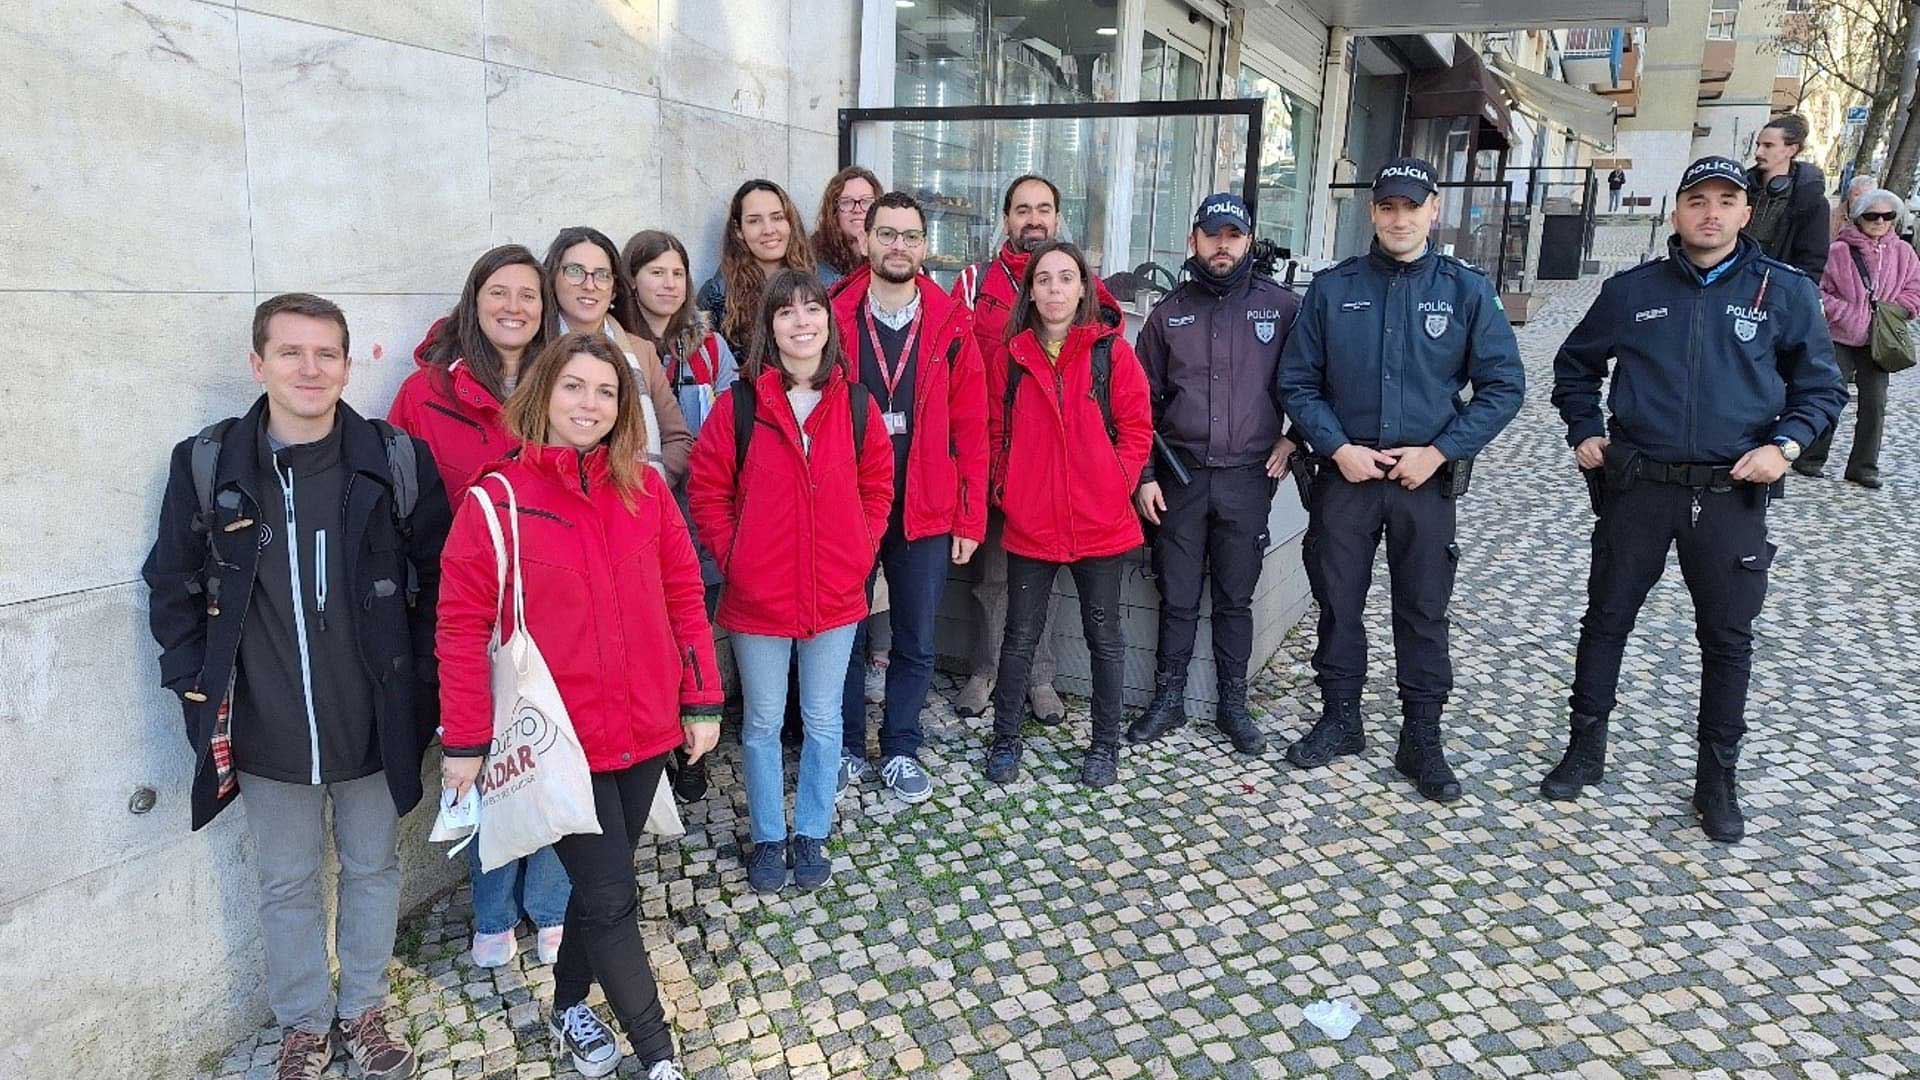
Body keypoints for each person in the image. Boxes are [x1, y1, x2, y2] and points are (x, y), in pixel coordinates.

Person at [142, 293, 452, 1080]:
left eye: (325, 354)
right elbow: (172, 584)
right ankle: (304, 1026)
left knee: (376, 869)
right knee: (285, 884)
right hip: (264, 728)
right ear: (259, 364)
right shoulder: (209, 465)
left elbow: (443, 583)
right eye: (291, 353)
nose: (309, 369)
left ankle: (366, 1013)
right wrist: (190, 684)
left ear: (349, 365)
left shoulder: (393, 461)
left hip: (374, 722)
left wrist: (424, 688)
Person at [437, 332, 722, 1080]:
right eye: (573, 387)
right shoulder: (496, 497)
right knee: (613, 895)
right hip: (561, 740)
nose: (588, 404)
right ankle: (658, 1055)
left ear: (624, 407)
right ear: (543, 394)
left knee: (601, 897)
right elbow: (461, 625)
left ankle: (569, 1007)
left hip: (646, 727)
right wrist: (465, 741)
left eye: (604, 391)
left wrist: (701, 699)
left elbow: (685, 598)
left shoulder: (647, 489)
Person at [1547, 155, 1844, 842]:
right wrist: (1585, 429)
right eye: (1697, 200)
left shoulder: (1784, 291)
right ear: (1676, 211)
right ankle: (1584, 751)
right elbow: (1575, 365)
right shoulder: (1633, 290)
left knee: (1727, 640)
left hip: (1731, 493)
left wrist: (1787, 447)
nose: (1710, 212)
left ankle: (1716, 780)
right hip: (1639, 488)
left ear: (1746, 212)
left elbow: (1822, 389)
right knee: (1606, 620)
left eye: (1725, 200)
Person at [1277, 158, 1525, 803]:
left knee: (1422, 610)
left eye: (1410, 207)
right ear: (1373, 213)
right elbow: (1297, 382)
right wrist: (1335, 447)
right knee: (1337, 602)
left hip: (1424, 482)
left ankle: (1421, 735)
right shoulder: (1333, 289)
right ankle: (1340, 719)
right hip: (1348, 479)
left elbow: (1504, 387)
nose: (1398, 218)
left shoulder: (1467, 291)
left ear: (1433, 210)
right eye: (1387, 207)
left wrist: (1442, 450)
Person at [388, 245, 570, 969]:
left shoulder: (564, 383)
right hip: (466, 608)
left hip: (554, 603)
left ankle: (551, 905)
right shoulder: (424, 393)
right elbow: (398, 507)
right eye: (500, 292)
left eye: (529, 295)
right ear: (475, 299)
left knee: (554, 760)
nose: (515, 307)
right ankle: (492, 913)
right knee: (489, 766)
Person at [688, 269, 893, 893]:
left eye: (813, 310)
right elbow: (708, 488)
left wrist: (858, 550)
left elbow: (878, 486)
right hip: (758, 597)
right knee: (761, 723)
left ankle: (811, 830)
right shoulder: (741, 405)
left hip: (834, 594)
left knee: (825, 718)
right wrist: (737, 555)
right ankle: (769, 837)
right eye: (787, 312)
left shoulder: (856, 404)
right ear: (768, 325)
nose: (801, 322)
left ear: (828, 324)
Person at [826, 192, 989, 804]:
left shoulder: (951, 323)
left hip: (925, 505)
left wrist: (969, 515)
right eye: (887, 234)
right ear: (865, 240)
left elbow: (972, 430)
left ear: (925, 247)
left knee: (916, 636)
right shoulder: (832, 317)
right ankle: (841, 746)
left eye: (911, 236)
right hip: (847, 504)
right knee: (843, 632)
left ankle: (899, 746)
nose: (899, 246)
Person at [1127, 193, 1301, 756]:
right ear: (1193, 241)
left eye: (1233, 235)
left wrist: (1295, 437)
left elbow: (1315, 381)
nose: (1222, 245)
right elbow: (1138, 407)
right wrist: (1146, 475)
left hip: (1249, 478)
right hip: (1180, 478)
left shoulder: (1282, 308)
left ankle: (1232, 704)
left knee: (1234, 598)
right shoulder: (1166, 315)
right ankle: (1168, 699)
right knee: (1175, 596)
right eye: (1212, 234)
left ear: (1248, 241)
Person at [950, 173, 1124, 725]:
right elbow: (952, 360)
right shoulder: (977, 281)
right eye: (1022, 210)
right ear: (1006, 219)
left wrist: (1115, 475)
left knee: (1038, 586)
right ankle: (985, 670)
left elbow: (1112, 356)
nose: (1033, 220)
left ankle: (1040, 679)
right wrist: (990, 471)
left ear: (1057, 217)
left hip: (1063, 473)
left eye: (1043, 209)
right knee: (992, 579)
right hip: (991, 455)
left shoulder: (1080, 285)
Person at [982, 240, 1153, 787]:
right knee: (1019, 638)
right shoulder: (1010, 358)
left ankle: (1104, 747)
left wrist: (1113, 485)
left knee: (1105, 638)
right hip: (1032, 523)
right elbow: (994, 434)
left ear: (1083, 289)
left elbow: (1136, 430)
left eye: (1065, 278)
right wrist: (1009, 489)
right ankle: (1005, 739)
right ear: (1030, 292)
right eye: (1044, 280)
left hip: (1099, 523)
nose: (1054, 289)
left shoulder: (1111, 354)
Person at [542, 227, 694, 485]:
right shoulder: (535, 349)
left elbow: (678, 438)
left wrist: (648, 489)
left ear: (613, 290)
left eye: (602, 275)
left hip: (635, 505)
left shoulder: (640, 351)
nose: (590, 285)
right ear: (553, 279)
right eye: (575, 272)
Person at [1804, 187, 1917, 490]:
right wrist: (1845, 313)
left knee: (1875, 404)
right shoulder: (1838, 252)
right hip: (1840, 336)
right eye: (1872, 216)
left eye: (1887, 216)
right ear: (1858, 218)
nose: (1880, 221)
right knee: (1829, 396)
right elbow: (1818, 291)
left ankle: (1864, 467)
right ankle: (1811, 457)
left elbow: (1914, 290)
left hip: (1880, 340)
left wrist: (1898, 309)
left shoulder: (1904, 253)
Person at [621, 229, 740, 438]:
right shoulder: (616, 346)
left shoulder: (711, 347)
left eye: (678, 273)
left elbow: (734, 424)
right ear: (632, 280)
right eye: (657, 273)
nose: (670, 284)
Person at [698, 179, 816, 352]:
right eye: (754, 221)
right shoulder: (717, 295)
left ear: (790, 222)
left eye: (777, 217)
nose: (768, 229)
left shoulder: (824, 283)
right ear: (739, 230)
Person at [1744, 114, 1830, 278]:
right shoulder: (1741, 188)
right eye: (1758, 145)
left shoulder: (1810, 201)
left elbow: (1812, 262)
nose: (1758, 152)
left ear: (1792, 150)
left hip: (1777, 289)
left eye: (1768, 146)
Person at [812, 165, 882, 286]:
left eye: (866, 201)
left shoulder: (889, 257)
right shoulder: (815, 264)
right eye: (847, 202)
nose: (857, 209)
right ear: (834, 211)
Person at [1830, 173, 1877, 240]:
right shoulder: (1832, 216)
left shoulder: (1880, 220)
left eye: (1866, 196)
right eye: (1856, 195)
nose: (1861, 199)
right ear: (1849, 195)